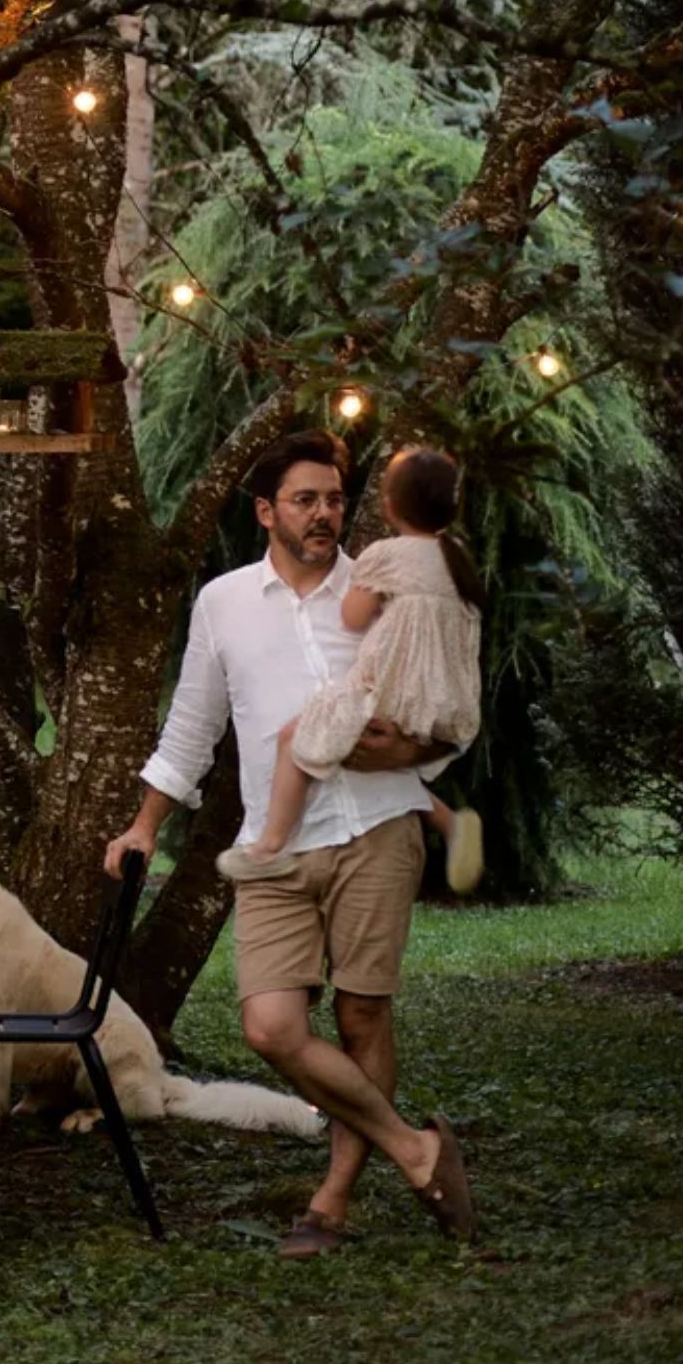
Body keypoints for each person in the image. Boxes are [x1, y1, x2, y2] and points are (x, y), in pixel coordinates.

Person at [107, 429, 477, 1255]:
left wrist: (408, 752)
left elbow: (438, 700)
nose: (323, 514)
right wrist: (143, 824)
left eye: (336, 499)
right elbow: (193, 727)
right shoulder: (224, 603)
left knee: (360, 1015)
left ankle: (332, 1204)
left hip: (376, 826)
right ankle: (417, 1148)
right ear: (267, 511)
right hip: (271, 846)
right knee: (271, 1026)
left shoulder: (384, 586)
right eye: (305, 500)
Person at [220, 444, 486, 889]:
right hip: (445, 699)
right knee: (362, 757)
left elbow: (352, 617)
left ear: (389, 505)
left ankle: (269, 847)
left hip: (394, 693)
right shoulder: (456, 558)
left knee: (296, 739)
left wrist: (371, 591)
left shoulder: (385, 556)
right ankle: (452, 824)